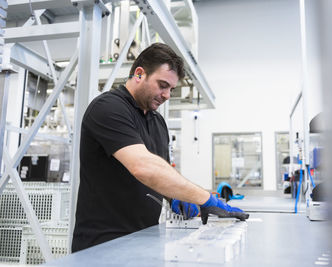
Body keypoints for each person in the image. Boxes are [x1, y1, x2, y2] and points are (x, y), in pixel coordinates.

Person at [71, 43, 248, 252]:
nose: (167, 95)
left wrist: (178, 198)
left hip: (145, 239)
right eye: (162, 85)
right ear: (139, 74)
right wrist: (204, 198)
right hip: (101, 245)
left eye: (171, 89)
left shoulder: (158, 122)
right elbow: (144, 167)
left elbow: (162, 169)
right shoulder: (108, 108)